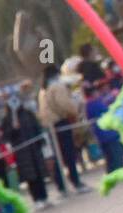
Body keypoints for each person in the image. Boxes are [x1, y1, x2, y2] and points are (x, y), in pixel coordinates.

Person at [39, 63, 89, 193]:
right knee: (68, 154)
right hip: (60, 122)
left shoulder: (43, 89)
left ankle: (61, 186)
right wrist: (75, 111)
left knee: (58, 156)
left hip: (49, 124)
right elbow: (64, 104)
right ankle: (76, 182)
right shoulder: (57, 86)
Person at [4, 83, 53, 209]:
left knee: (39, 174)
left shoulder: (28, 113)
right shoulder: (8, 119)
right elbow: (7, 135)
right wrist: (13, 128)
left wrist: (41, 140)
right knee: (31, 177)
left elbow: (36, 126)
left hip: (34, 149)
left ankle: (45, 197)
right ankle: (37, 199)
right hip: (23, 153)